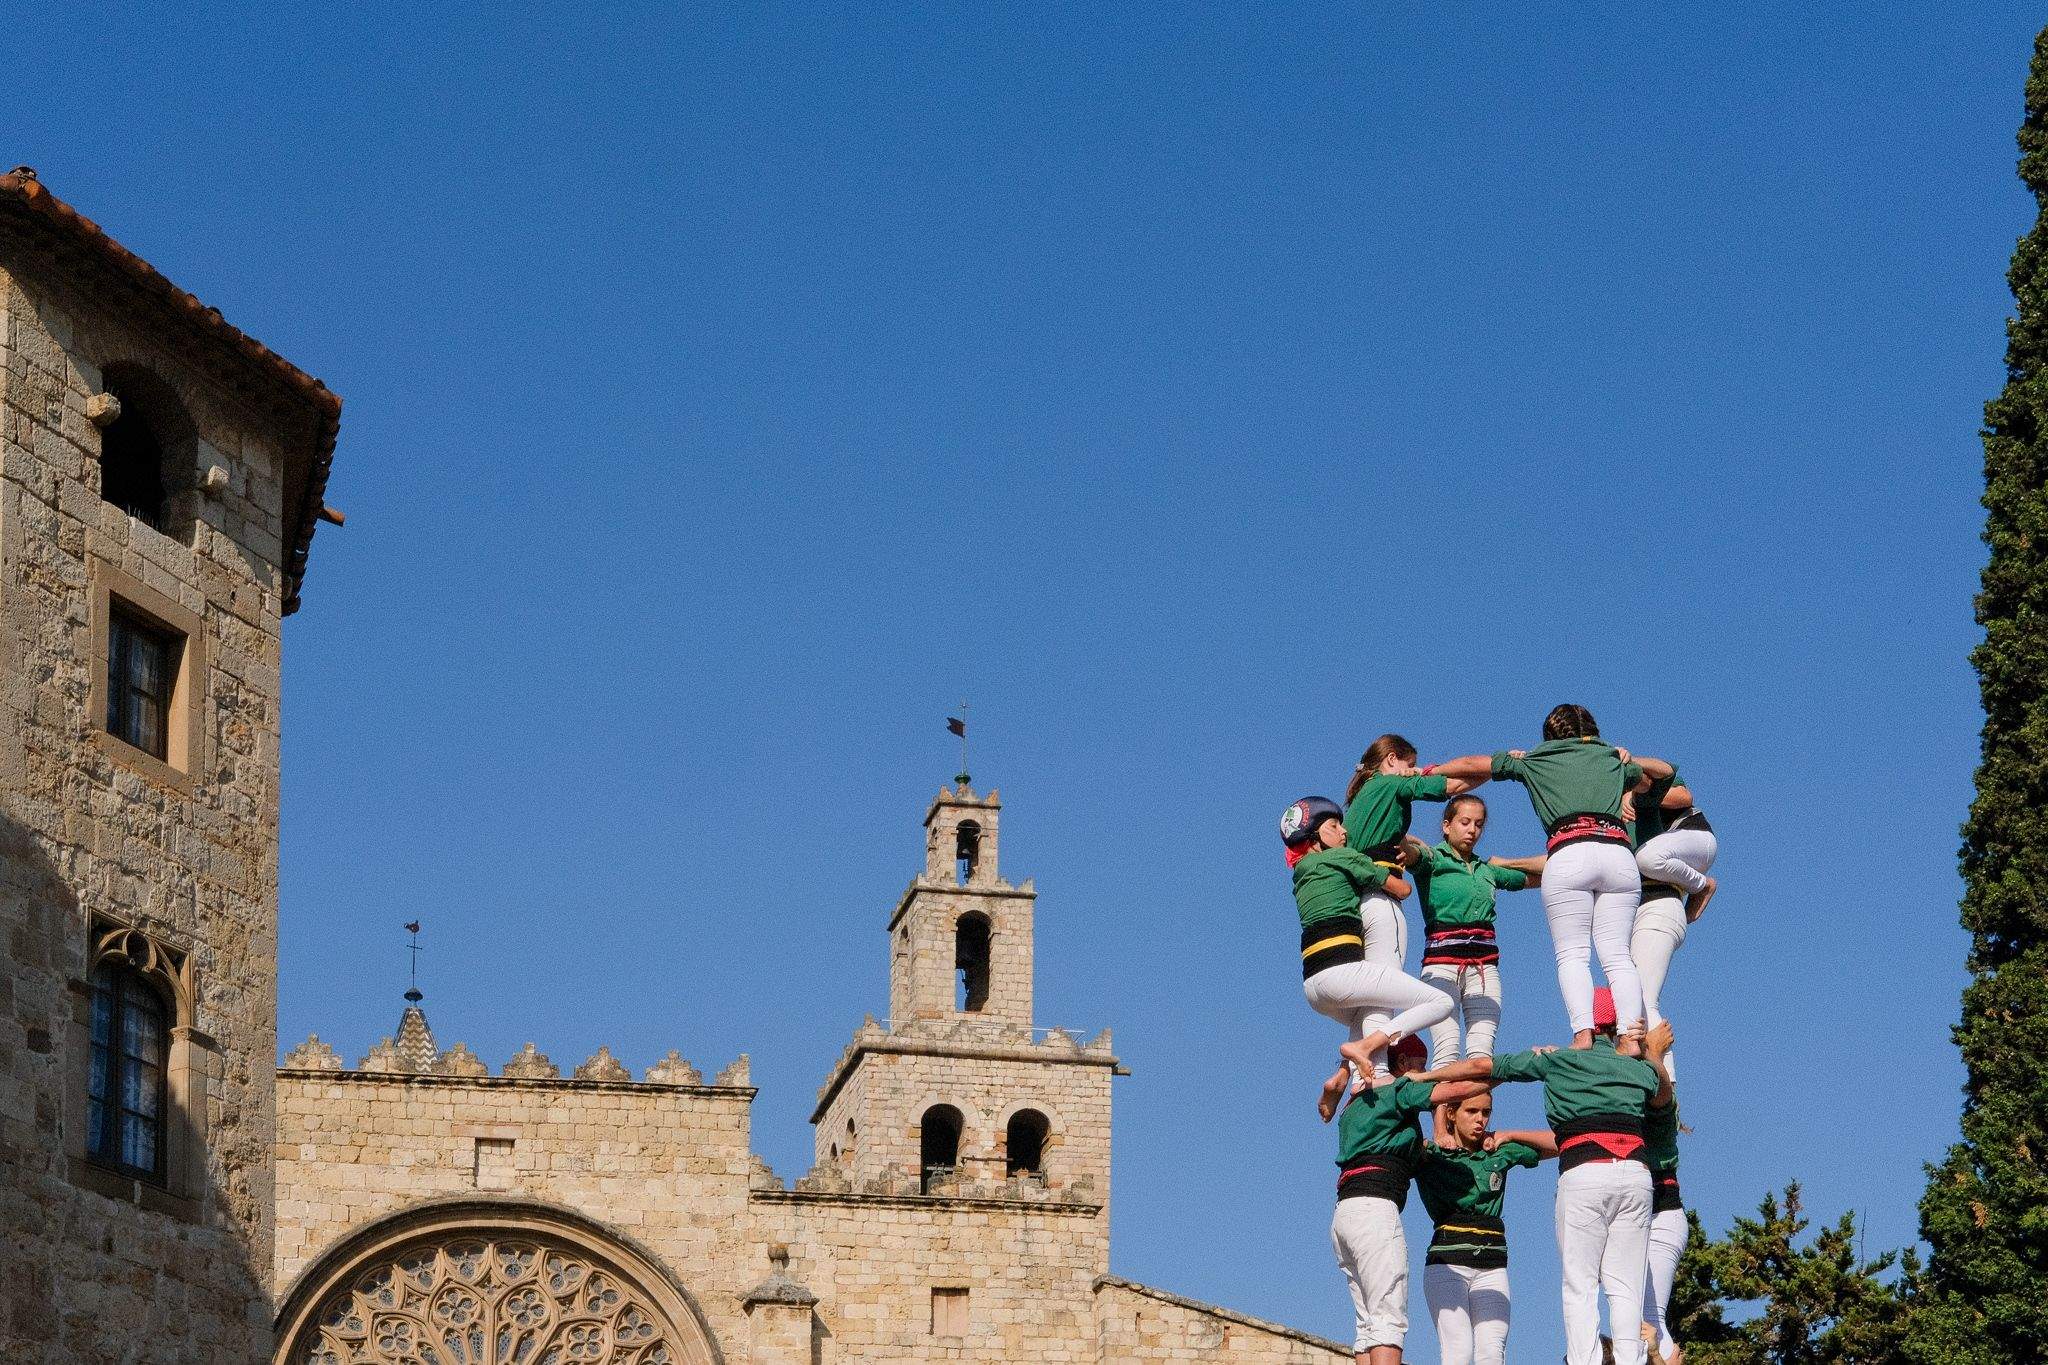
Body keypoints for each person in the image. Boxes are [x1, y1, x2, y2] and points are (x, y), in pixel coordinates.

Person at [1406, 987, 1661, 1365]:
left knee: (1581, 1285)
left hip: (1585, 1172)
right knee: (1626, 1286)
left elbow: (1482, 1068)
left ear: (1581, 1022)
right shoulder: (1638, 1069)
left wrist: (1426, 1078)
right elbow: (1663, 1099)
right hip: (1637, 1172)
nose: (1481, 1120)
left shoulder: (1558, 1061)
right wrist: (1649, 1053)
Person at [1429, 705, 1673, 1046]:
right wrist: (1629, 759)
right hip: (1618, 854)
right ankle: (1631, 1038)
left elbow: (1473, 766)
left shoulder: (1536, 759)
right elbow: (1661, 775)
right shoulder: (1609, 757)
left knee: (1572, 954)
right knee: (1618, 954)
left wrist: (1430, 771)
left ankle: (1583, 1034)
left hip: (1569, 851)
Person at [1283, 797, 1455, 1118]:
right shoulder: (1344, 858)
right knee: (1439, 1004)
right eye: (1334, 826)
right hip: (1343, 974)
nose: (1344, 831)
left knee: (1370, 1007)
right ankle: (1368, 1061)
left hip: (1315, 988)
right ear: (1315, 840)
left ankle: (1346, 1075)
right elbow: (1401, 890)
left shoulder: (1301, 874)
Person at [1330, 1035, 1495, 1365]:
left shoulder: (1353, 1105)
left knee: (1368, 1325)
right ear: (1404, 1063)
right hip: (1375, 1209)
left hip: (1344, 1213)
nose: (1425, 1072)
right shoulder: (1395, 1090)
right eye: (1422, 1065)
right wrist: (1506, 1073)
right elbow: (1452, 1092)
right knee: (1389, 1321)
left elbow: (1407, 1154)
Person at [1343, 735, 1485, 1072]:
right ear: (1392, 760)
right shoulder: (1392, 785)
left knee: (1367, 990)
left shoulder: (1363, 798)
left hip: (1355, 901)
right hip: (1383, 899)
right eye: (1409, 764)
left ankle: (1352, 1072)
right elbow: (1454, 785)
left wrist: (1411, 841)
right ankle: (1374, 1071)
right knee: (1383, 986)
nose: (1412, 771)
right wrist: (1503, 767)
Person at [1415, 1088, 1557, 1365]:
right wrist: (1435, 1130)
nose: (1481, 1119)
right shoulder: (1431, 1154)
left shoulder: (1497, 1152)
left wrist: (1509, 1135)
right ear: (1452, 1114)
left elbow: (1561, 1142)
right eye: (1472, 1111)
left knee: (1492, 1353)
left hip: (1493, 1265)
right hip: (1448, 1264)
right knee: (1459, 1351)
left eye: (1486, 1112)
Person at [1411, 794, 1545, 1064]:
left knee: (1482, 1054)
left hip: (1484, 969)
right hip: (1441, 967)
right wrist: (1415, 843)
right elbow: (1410, 850)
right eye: (1465, 822)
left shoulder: (1486, 870)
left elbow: (1555, 867)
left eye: (1479, 824)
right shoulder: (1434, 860)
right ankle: (1443, 1107)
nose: (1472, 830)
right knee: (1447, 1050)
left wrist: (1506, 863)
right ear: (1447, 826)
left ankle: (1473, 1106)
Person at [1630, 768, 1716, 1083]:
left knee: (1641, 998)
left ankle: (1667, 1083)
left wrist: (1631, 794)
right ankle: (1650, 1080)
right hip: (1655, 899)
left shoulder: (1643, 786)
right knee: (1633, 1000)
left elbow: (1683, 795)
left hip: (1692, 844)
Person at [1639, 1021, 1685, 1365]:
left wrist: (1654, 1052)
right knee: (1634, 1314)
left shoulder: (1658, 1108)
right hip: (1641, 1210)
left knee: (1648, 1317)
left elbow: (1662, 1095)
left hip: (1661, 1210)